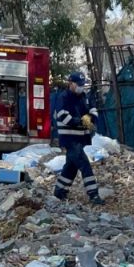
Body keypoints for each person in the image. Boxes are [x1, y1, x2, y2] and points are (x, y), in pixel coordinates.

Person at [53, 71, 105, 205]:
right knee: (85, 165)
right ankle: (93, 195)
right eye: (79, 84)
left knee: (71, 167)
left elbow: (93, 110)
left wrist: (92, 119)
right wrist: (81, 121)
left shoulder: (84, 97)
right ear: (71, 83)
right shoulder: (63, 97)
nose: (81, 87)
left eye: (83, 84)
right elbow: (63, 116)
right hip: (70, 139)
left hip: (80, 139)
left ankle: (59, 192)